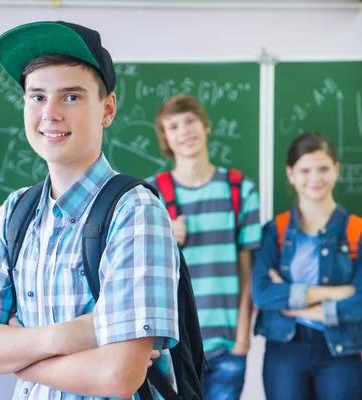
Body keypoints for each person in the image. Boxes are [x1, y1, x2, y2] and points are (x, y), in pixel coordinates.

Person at [0, 21, 180, 399]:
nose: (51, 114)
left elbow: (118, 375)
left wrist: (14, 350)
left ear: (107, 108)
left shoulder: (136, 211)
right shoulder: (14, 213)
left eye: (71, 97)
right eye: (37, 97)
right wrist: (72, 334)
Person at [150, 94, 261, 399]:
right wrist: (161, 236)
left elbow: (246, 269)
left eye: (189, 121)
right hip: (171, 344)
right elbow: (138, 272)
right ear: (165, 139)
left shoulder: (240, 189)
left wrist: (242, 335)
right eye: (173, 126)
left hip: (226, 344)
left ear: (206, 126)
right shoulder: (151, 194)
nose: (184, 131)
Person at [252, 132, 362, 400]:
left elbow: (360, 300)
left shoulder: (356, 230)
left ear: (337, 169)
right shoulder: (274, 231)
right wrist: (333, 293)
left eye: (323, 168)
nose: (315, 178)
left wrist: (298, 305)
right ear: (290, 174)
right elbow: (263, 292)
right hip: (284, 351)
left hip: (341, 351)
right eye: (305, 170)